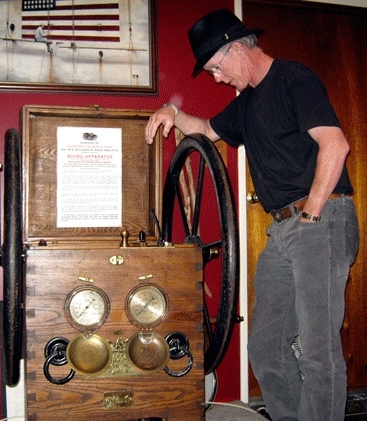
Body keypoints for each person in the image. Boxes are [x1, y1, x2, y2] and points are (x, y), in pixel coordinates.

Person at [145, 9, 359, 421]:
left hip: (323, 219)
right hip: (283, 231)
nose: (217, 78)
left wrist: (312, 214)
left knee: (317, 349)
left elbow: (336, 145)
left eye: (216, 68)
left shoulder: (295, 79)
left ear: (236, 47)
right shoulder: (245, 106)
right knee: (265, 345)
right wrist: (172, 113)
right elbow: (205, 130)